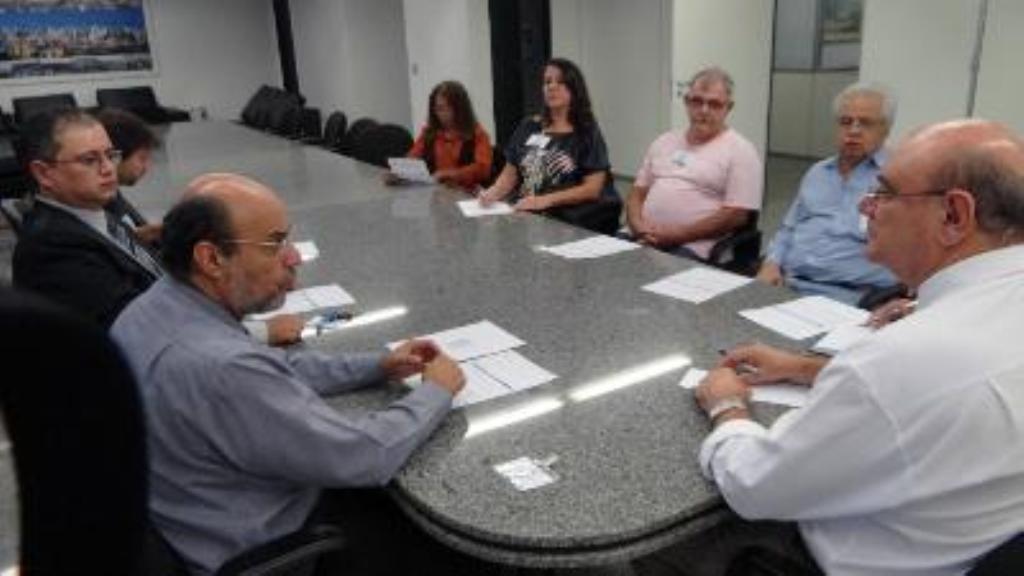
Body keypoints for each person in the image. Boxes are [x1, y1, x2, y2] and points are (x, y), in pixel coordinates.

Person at [643, 119, 1024, 575]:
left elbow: (756, 487)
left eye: (884, 193)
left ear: (954, 216)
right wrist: (806, 368)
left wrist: (726, 406)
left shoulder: (900, 359)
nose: (866, 206)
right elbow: (930, 395)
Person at [109, 173, 467, 576]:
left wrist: (376, 366)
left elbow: (272, 366)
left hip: (180, 514)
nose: (294, 257)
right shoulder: (224, 369)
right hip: (257, 542)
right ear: (211, 259)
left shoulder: (156, 305)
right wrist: (436, 391)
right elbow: (363, 454)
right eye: (275, 243)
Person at [13, 108, 160, 328]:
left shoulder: (92, 208)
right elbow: (136, 326)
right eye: (90, 160)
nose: (109, 168)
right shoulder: (53, 248)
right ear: (44, 174)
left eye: (111, 155)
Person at [756, 83, 900, 305]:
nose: (853, 130)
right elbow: (788, 228)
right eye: (845, 122)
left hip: (851, 297)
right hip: (787, 284)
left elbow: (910, 251)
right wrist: (771, 263)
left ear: (886, 129)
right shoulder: (818, 172)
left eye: (865, 123)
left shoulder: (896, 178)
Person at [625, 66, 762, 259]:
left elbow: (736, 215)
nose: (704, 110)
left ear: (728, 108)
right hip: (642, 234)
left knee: (654, 282)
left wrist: (675, 235)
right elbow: (637, 192)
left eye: (714, 104)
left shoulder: (741, 151)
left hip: (692, 244)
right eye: (697, 101)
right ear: (687, 102)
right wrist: (638, 226)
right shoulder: (664, 141)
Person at [479, 57, 621, 234]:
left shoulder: (586, 131)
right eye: (547, 82)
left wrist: (545, 200)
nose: (551, 87)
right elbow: (508, 177)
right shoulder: (528, 126)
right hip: (527, 217)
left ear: (574, 90)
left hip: (567, 223)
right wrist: (492, 193)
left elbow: (592, 189)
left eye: (560, 82)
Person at [387, 80, 492, 189]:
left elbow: (483, 169)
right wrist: (399, 172)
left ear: (460, 109)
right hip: (435, 193)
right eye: (438, 109)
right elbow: (413, 156)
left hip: (465, 194)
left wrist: (450, 174)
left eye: (446, 108)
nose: (442, 114)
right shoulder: (429, 133)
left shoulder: (477, 134)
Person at [96, 107, 163, 245]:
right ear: (115, 156)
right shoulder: (99, 202)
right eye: (142, 158)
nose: (147, 167)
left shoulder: (113, 194)